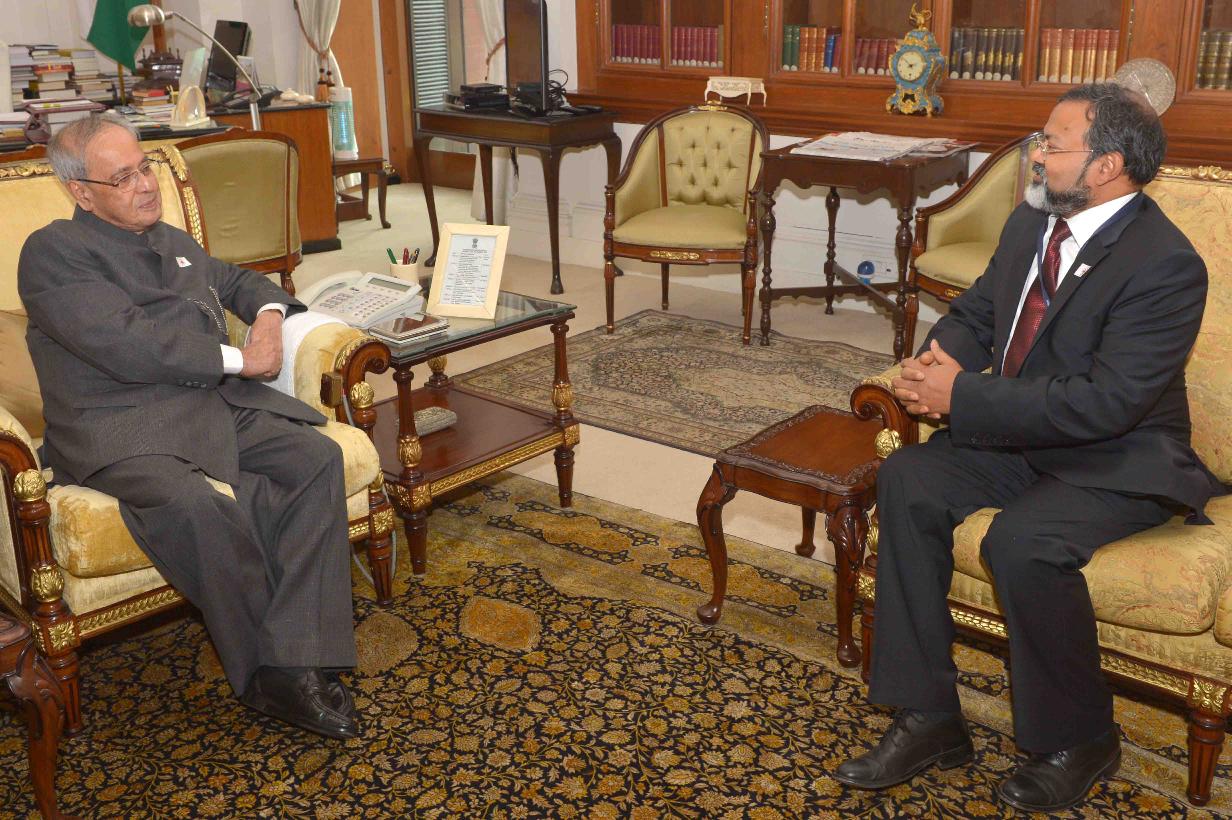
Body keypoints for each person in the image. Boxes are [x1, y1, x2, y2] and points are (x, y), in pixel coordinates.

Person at [834, 84, 1224, 811]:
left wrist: (963, 399)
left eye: (1052, 144)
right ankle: (929, 716)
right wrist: (939, 361)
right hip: (1022, 436)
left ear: (1106, 166)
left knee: (1021, 543)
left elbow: (1108, 401)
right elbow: (982, 309)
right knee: (909, 478)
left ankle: (1081, 739)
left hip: (1116, 455)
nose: (1036, 156)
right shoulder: (1033, 219)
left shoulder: (1164, 264)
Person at [18, 112, 360, 740]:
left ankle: (296, 655)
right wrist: (241, 360)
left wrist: (269, 317)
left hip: (203, 405)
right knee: (194, 506)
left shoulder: (169, 238)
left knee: (315, 460)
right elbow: (126, 344)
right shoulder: (53, 253)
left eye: (145, 166)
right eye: (123, 177)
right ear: (81, 192)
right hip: (116, 424)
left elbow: (236, 280)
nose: (146, 184)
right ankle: (265, 676)